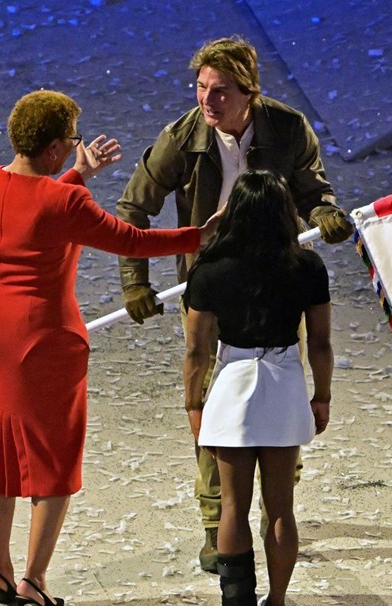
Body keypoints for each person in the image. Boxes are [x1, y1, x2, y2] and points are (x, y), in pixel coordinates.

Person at [0, 90, 219, 606]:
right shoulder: (66, 203)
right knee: (54, 456)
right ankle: (33, 579)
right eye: (73, 141)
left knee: (2, 442)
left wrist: (77, 174)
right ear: (58, 146)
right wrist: (200, 234)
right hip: (43, 338)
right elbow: (130, 240)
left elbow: (35, 212)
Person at [115, 36, 351, 574]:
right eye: (201, 88)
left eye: (220, 91)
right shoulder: (183, 138)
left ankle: (277, 510)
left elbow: (315, 189)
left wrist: (327, 213)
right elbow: (133, 206)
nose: (207, 100)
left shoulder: (287, 129)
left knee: (280, 391)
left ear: (249, 93)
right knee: (210, 405)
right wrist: (136, 279)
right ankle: (215, 519)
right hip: (211, 279)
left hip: (275, 275)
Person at [183, 169, 333, 606]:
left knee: (233, 506)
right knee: (281, 508)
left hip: (233, 382)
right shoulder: (307, 267)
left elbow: (196, 351)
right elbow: (322, 344)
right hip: (285, 380)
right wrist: (322, 395)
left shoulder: (210, 269)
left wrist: (193, 404)